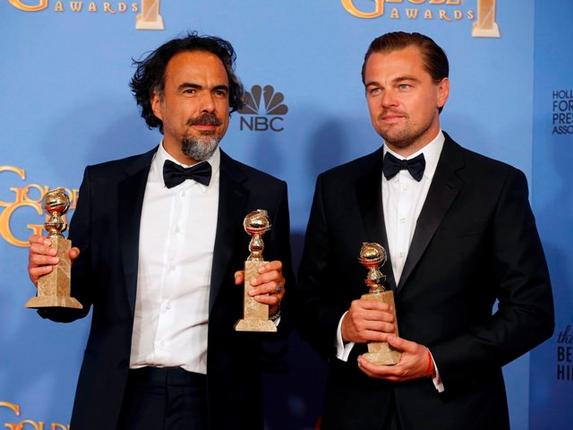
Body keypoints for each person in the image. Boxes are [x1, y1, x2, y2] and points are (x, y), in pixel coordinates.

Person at [27, 33, 293, 430]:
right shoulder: (106, 185)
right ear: (157, 103)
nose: (208, 106)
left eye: (219, 93)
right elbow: (71, 303)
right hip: (118, 400)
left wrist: (273, 306)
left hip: (217, 404)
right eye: (190, 90)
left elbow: (277, 324)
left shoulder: (264, 193)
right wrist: (51, 279)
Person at [294, 31, 554, 430]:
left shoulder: (496, 185)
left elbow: (532, 312)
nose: (387, 102)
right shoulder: (335, 187)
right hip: (355, 411)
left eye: (404, 85)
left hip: (458, 412)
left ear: (441, 91)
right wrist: (344, 325)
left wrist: (437, 360)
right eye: (374, 88)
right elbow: (309, 302)